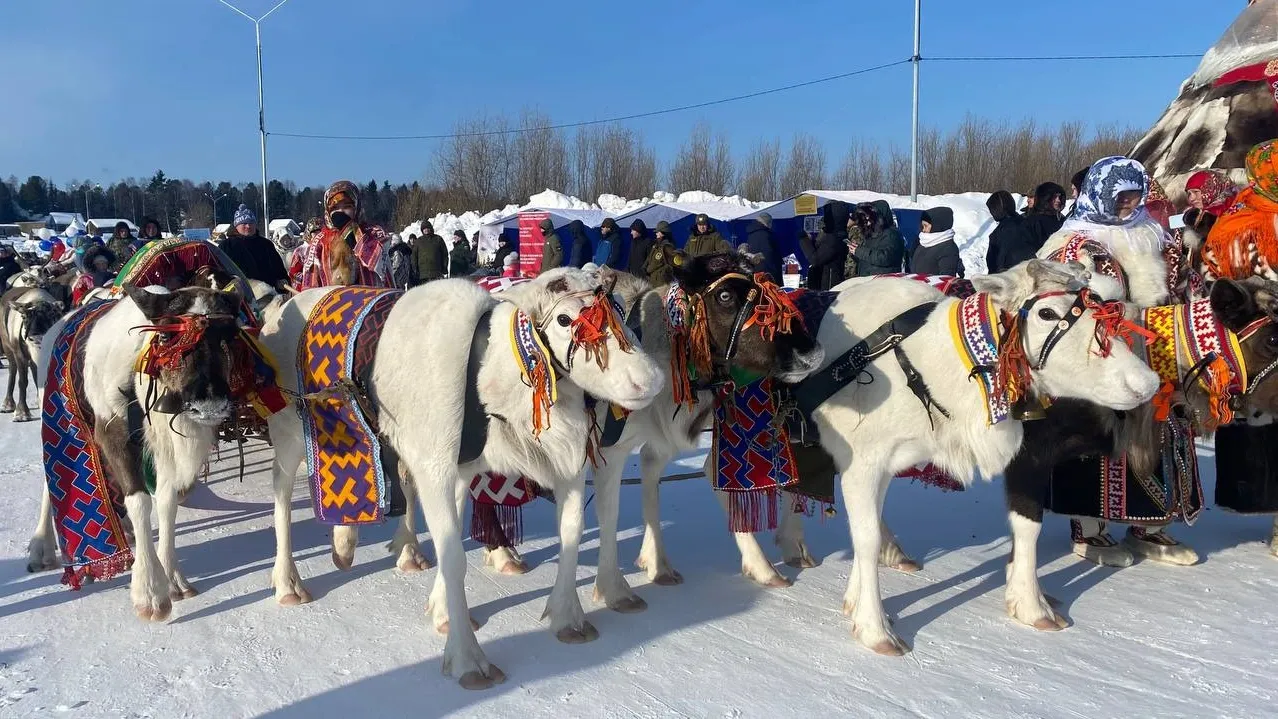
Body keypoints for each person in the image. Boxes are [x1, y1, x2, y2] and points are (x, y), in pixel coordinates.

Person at [1036, 156, 1185, 565]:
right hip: (1099, 357)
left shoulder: (1152, 235)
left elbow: (1180, 286)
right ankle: (1089, 526)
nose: (1129, 203)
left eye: (1135, 195)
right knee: (1094, 437)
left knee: (1157, 434)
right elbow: (1056, 303)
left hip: (1158, 353)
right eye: (1121, 196)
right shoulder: (1072, 242)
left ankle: (1149, 523)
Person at [301, 180, 393, 288]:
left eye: (347, 206)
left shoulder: (373, 233)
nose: (341, 212)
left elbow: (380, 264)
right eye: (335, 208)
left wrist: (352, 234)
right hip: (334, 303)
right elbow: (310, 284)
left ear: (356, 207)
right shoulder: (320, 242)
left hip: (371, 301)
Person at [220, 204, 291, 289]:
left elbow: (279, 269)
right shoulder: (226, 246)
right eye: (244, 223)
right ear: (236, 225)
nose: (248, 226)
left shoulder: (266, 245)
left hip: (268, 294)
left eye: (251, 223)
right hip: (239, 296)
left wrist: (282, 280)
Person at [984, 190, 1039, 273]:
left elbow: (996, 263)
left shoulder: (999, 234)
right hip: (1032, 274)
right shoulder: (1027, 222)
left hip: (1009, 279)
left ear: (997, 209)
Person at [851, 200, 905, 276]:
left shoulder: (891, 234)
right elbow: (870, 258)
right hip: (869, 280)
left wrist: (860, 251)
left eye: (869, 216)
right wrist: (855, 252)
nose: (867, 219)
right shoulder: (872, 234)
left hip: (883, 282)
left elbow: (885, 258)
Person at [910, 206, 963, 276]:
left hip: (930, 286)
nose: (923, 230)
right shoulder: (923, 241)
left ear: (937, 225)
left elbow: (946, 279)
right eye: (922, 226)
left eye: (926, 226)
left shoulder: (948, 249)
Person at [801, 214, 848, 291]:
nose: (821, 230)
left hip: (829, 284)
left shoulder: (833, 239)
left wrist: (803, 239)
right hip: (823, 281)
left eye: (822, 228)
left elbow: (816, 259)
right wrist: (810, 241)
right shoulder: (828, 237)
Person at [1023, 181, 1067, 251]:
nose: (1058, 200)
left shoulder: (1063, 220)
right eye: (1054, 197)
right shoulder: (1032, 222)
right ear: (1045, 198)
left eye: (1060, 197)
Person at [745, 212, 782, 283]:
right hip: (767, 275)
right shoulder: (766, 235)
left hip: (755, 273)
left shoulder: (751, 234)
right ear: (767, 223)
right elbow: (769, 255)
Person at [411, 220, 448, 285]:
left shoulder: (438, 239)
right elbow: (414, 256)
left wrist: (444, 267)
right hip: (423, 274)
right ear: (422, 230)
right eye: (424, 229)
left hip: (436, 272)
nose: (426, 230)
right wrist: (415, 269)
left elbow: (444, 254)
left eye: (428, 228)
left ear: (431, 228)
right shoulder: (418, 241)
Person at [644, 221, 677, 286]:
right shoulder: (657, 244)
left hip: (661, 281)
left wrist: (647, 270)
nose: (656, 233)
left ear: (663, 233)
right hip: (654, 279)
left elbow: (656, 262)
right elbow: (650, 257)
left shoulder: (667, 247)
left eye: (658, 232)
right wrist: (644, 266)